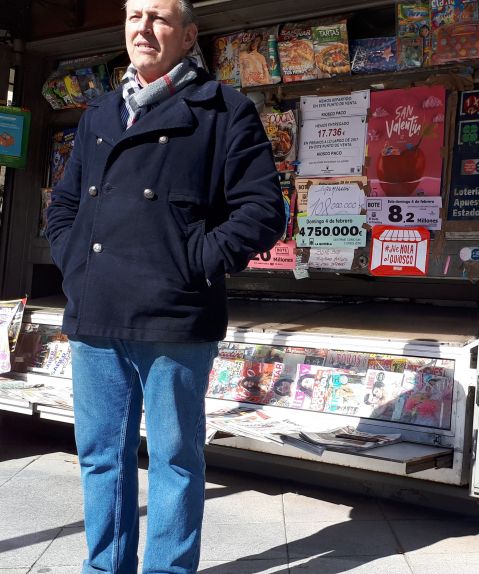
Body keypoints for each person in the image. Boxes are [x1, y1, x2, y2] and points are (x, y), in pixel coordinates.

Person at [45, 1, 286, 572]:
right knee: (101, 457)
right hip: (96, 310)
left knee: (175, 460)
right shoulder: (100, 113)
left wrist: (192, 262)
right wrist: (73, 260)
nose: (143, 29)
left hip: (174, 315)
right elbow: (64, 204)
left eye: (158, 18)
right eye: (134, 17)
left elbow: (262, 211)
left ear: (188, 34)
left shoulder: (223, 109)